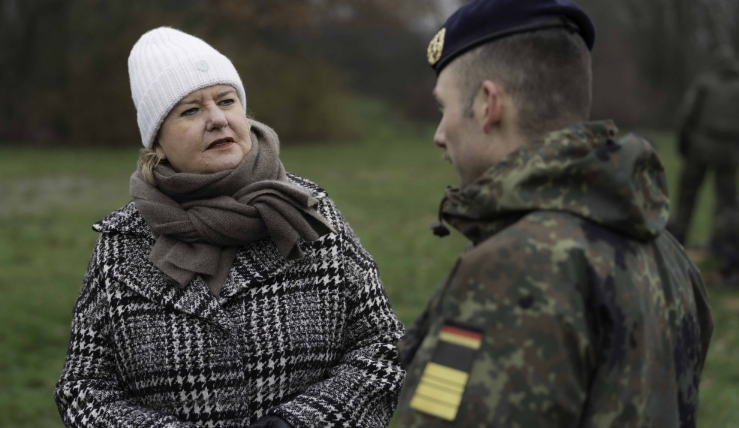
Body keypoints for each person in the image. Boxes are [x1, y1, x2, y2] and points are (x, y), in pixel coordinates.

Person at [54, 27, 405, 428]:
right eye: (191, 110)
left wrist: (302, 423)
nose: (218, 119)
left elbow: (383, 346)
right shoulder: (122, 245)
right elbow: (82, 388)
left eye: (226, 101)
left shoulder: (307, 212)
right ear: (158, 143)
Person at [394, 0, 714, 426]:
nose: (439, 135)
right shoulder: (669, 255)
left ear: (489, 104)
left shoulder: (512, 271)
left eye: (444, 108)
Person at [667, 46, 739, 285]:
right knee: (726, 202)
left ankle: (678, 239)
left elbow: (686, 113)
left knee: (687, 195)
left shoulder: (705, 83)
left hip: (700, 144)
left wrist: (683, 144)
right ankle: (721, 247)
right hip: (729, 149)